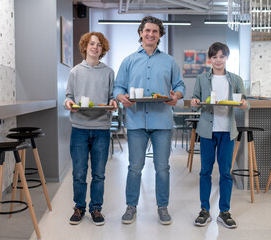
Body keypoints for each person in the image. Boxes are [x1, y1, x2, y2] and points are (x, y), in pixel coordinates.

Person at [114, 16, 186, 225]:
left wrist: (176, 97)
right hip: (136, 122)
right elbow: (118, 87)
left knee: (162, 168)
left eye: (155, 31)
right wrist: (122, 98)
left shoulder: (169, 61)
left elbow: (180, 86)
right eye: (147, 30)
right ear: (140, 33)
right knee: (135, 167)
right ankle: (131, 207)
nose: (150, 34)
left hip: (162, 122)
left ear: (160, 35)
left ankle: (162, 207)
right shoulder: (128, 61)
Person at [191, 42, 249, 229]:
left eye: (221, 56)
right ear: (210, 59)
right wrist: (195, 102)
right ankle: (204, 210)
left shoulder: (235, 79)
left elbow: (245, 102)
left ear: (226, 58)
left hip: (227, 131)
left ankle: (224, 211)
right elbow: (194, 101)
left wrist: (244, 104)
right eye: (214, 57)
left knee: (225, 172)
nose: (218, 60)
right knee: (205, 172)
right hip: (207, 131)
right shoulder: (201, 79)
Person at [63, 32, 117, 226]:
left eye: (99, 45)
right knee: (78, 172)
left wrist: (113, 101)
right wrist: (68, 102)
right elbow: (68, 96)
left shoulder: (109, 72)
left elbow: (113, 96)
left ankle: (96, 208)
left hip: (101, 128)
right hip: (79, 128)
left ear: (103, 50)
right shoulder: (75, 71)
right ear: (85, 47)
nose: (95, 47)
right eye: (92, 44)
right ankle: (79, 207)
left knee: (99, 173)